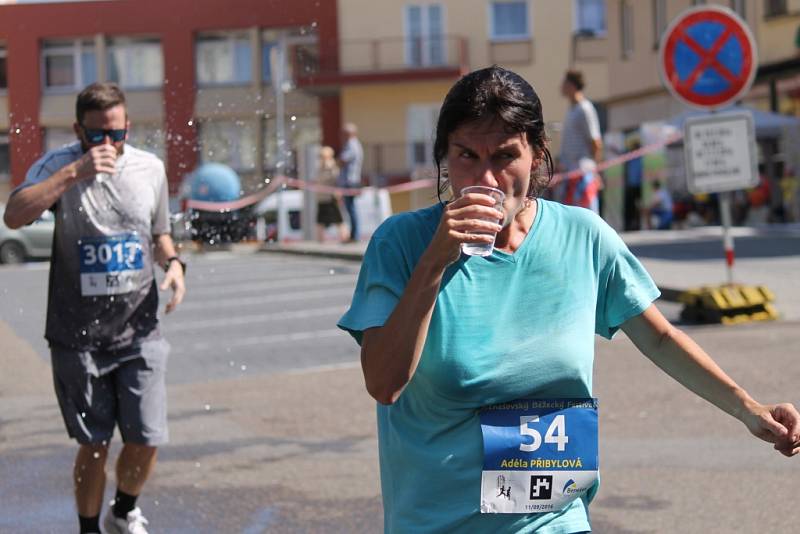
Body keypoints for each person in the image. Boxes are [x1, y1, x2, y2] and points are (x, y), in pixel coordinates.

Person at [337, 66, 799, 533]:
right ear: (444, 157)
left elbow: (659, 338)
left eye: (504, 156)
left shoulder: (584, 237)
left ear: (537, 155)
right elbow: (384, 384)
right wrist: (436, 259)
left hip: (556, 520)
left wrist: (748, 407)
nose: (487, 178)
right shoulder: (401, 243)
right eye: (466, 156)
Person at [2, 82, 185, 534]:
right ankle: (88, 529)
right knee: (95, 443)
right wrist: (75, 173)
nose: (108, 145)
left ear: (128, 128)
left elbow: (158, 233)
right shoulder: (58, 165)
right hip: (77, 336)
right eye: (97, 135)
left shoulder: (149, 169)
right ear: (78, 131)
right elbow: (14, 214)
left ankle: (123, 511)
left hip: (140, 330)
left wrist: (175, 264)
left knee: (146, 437)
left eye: (116, 135)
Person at [557, 70, 603, 209]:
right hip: (570, 173)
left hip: (583, 172)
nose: (561, 87)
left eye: (564, 83)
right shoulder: (572, 110)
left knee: (587, 215)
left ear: (572, 85)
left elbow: (595, 141)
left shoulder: (585, 108)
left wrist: (596, 171)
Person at [337, 122, 364, 242]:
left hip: (350, 181)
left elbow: (342, 160)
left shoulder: (352, 145)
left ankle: (354, 235)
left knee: (351, 209)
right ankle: (353, 234)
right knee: (350, 208)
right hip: (351, 180)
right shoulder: (353, 144)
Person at [315, 146, 346, 242]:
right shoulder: (320, 166)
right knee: (320, 220)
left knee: (338, 219)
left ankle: (344, 237)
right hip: (321, 197)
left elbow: (335, 179)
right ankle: (320, 239)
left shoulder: (332, 167)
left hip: (330, 196)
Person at [623, 139, 643, 231]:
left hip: (637, 186)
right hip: (632, 185)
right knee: (633, 207)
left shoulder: (639, 157)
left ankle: (637, 224)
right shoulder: (632, 157)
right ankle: (633, 224)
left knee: (637, 207)